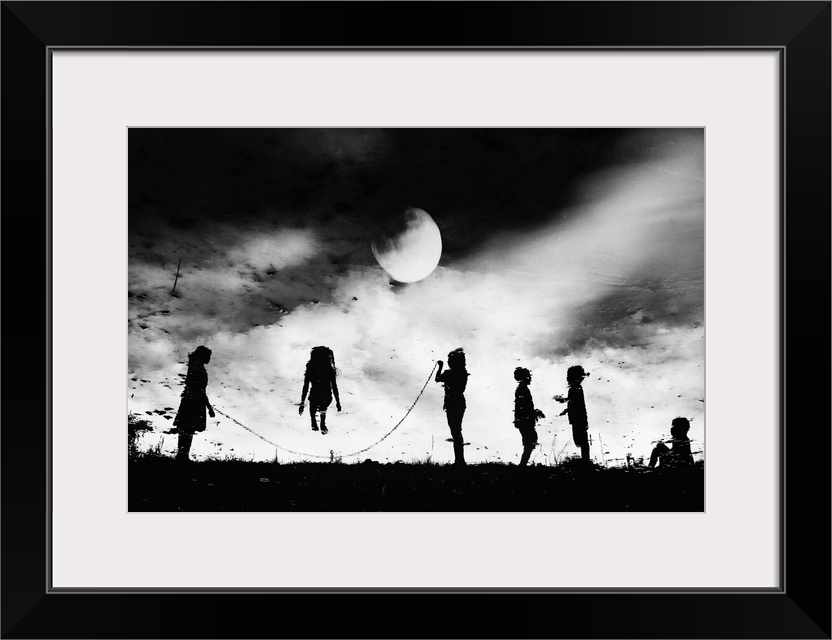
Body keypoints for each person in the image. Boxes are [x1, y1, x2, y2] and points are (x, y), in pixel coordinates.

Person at [173, 345, 214, 463]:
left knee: (187, 428)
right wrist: (208, 406)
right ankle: (182, 454)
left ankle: (183, 454)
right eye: (208, 356)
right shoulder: (196, 366)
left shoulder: (197, 365)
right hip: (192, 400)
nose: (209, 359)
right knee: (187, 427)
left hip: (194, 399)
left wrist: (208, 405)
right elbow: (194, 383)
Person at [435, 348, 469, 466]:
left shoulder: (450, 374)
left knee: (455, 431)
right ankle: (459, 460)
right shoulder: (463, 374)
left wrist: (440, 367)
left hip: (452, 403)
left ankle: (459, 460)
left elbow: (437, 379)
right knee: (456, 431)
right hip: (458, 403)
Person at [298, 346, 341, 435]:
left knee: (313, 402)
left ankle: (314, 421)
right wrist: (338, 403)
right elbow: (334, 387)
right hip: (326, 393)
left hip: (315, 391)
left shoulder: (310, 368)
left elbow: (305, 386)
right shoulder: (330, 369)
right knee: (323, 404)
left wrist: (302, 402)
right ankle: (322, 422)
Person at [554, 364, 591, 465]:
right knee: (582, 441)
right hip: (579, 419)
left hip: (578, 419)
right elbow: (575, 404)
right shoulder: (576, 389)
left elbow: (575, 404)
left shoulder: (575, 389)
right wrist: (566, 409)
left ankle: (585, 462)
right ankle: (586, 461)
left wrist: (564, 402)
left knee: (582, 441)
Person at [513, 367, 545, 466]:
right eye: (528, 377)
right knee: (529, 443)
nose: (530, 378)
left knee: (529, 443)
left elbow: (522, 407)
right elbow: (523, 408)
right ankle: (522, 465)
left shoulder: (522, 389)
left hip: (524, 421)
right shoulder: (523, 389)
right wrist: (533, 414)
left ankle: (523, 465)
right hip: (525, 421)